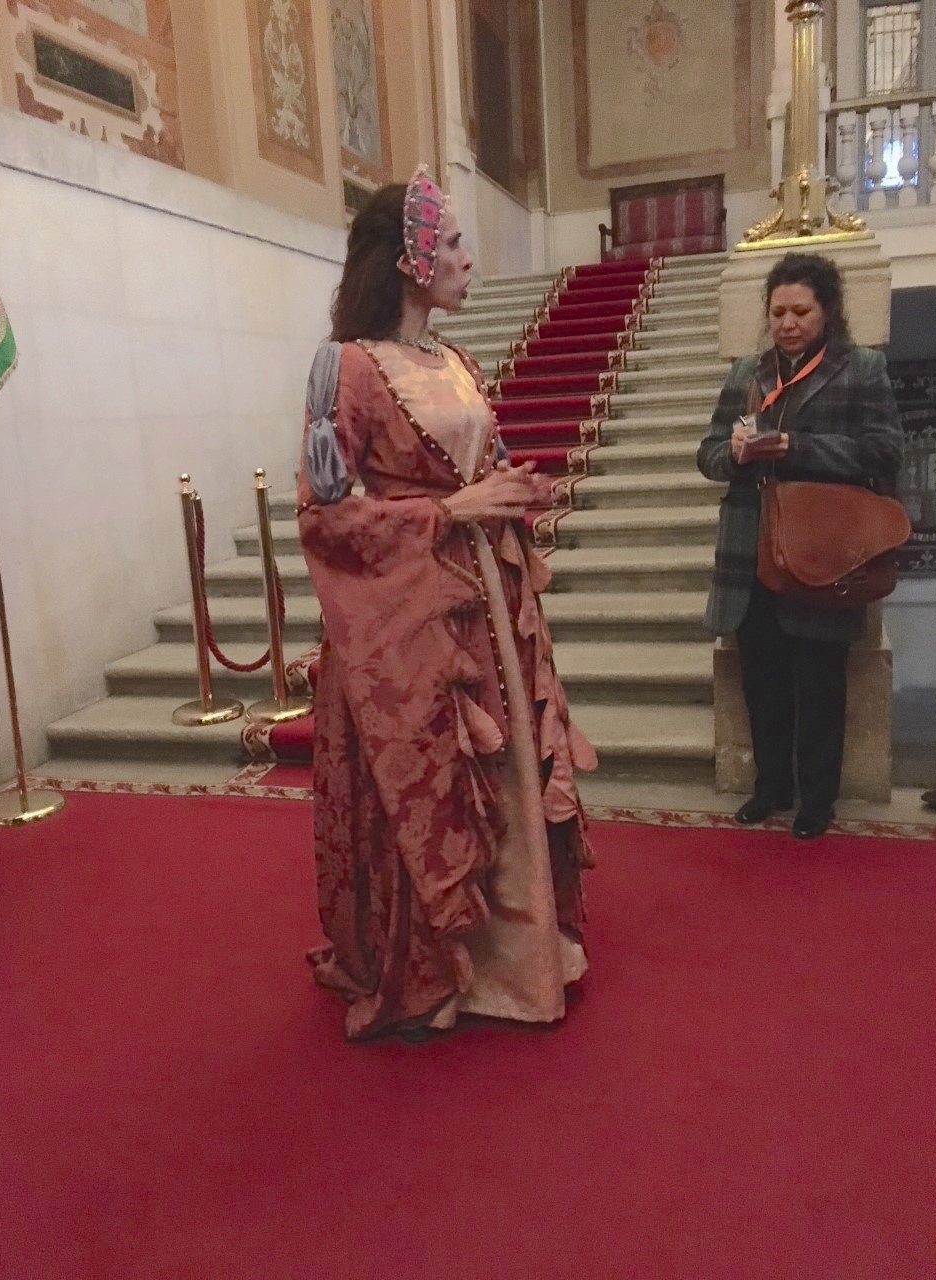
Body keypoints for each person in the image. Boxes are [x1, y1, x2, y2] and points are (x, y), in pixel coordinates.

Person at [296, 167, 597, 1040]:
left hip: (488, 601)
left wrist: (510, 490)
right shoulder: (346, 368)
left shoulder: (457, 361)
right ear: (410, 259)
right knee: (434, 774)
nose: (469, 259)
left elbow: (477, 468)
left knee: (504, 768)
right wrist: (449, 512)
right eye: (455, 243)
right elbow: (322, 516)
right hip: (413, 610)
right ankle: (440, 962)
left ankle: (518, 953)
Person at [697, 252, 903, 839]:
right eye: (778, 311)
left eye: (801, 311)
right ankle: (771, 789)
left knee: (819, 683)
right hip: (751, 550)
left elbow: (886, 452)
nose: (787, 323)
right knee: (761, 680)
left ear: (827, 311)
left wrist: (797, 448)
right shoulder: (747, 373)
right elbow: (707, 454)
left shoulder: (861, 368)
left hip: (824, 549)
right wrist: (735, 454)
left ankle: (817, 800)